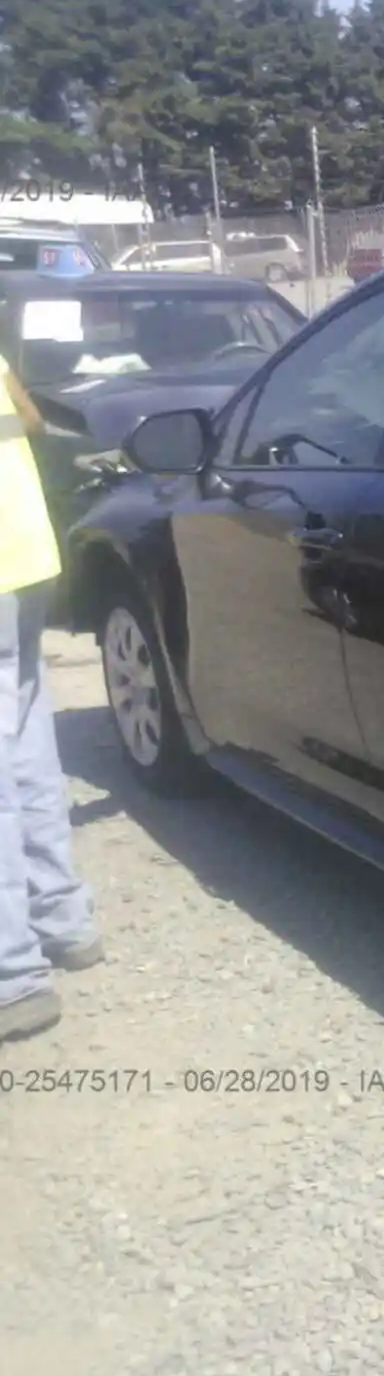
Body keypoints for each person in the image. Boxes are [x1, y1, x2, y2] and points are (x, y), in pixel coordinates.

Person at [1, 351, 104, 1043]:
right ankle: (65, 921)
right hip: (27, 555)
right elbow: (30, 418)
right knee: (26, 736)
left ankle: (13, 975)